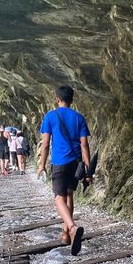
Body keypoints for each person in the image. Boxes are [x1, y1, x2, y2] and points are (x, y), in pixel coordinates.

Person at [37, 85, 91, 255]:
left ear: (57, 99)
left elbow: (45, 144)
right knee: (69, 195)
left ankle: (73, 228)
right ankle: (66, 234)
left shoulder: (51, 116)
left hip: (59, 162)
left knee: (59, 199)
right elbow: (84, 144)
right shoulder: (79, 118)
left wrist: (42, 165)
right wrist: (88, 170)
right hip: (75, 163)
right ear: (72, 100)